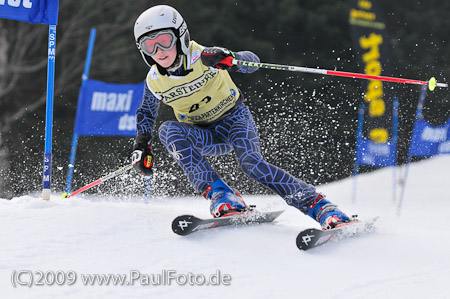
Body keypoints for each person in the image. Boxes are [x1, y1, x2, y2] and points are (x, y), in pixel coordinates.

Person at [131, 5, 352, 229]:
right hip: (203, 134)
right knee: (168, 130)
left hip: (234, 121)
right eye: (149, 45)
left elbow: (252, 62)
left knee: (251, 164)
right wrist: (142, 145)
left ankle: (320, 206)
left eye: (165, 40)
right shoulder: (154, 81)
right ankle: (221, 195)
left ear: (181, 36)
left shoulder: (204, 56)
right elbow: (147, 112)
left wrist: (231, 58)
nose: (159, 50)